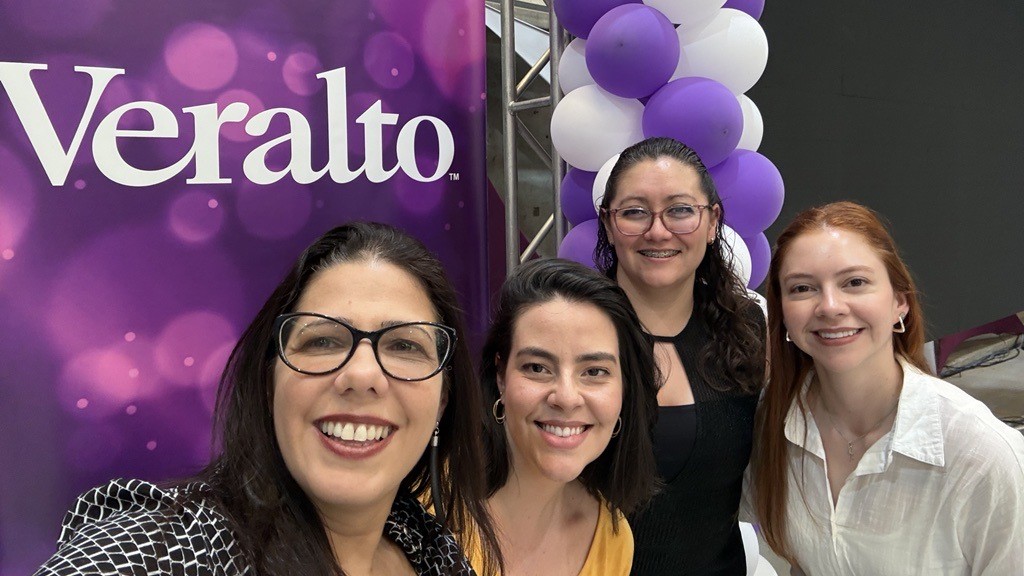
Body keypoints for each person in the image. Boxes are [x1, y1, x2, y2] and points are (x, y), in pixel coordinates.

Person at [35, 222, 502, 576]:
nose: (362, 375)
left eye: (405, 346)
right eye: (322, 341)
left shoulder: (434, 552)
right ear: (268, 381)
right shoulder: (163, 549)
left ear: (443, 401)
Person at [750, 201, 1024, 574]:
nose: (830, 306)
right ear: (783, 315)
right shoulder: (770, 423)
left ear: (900, 302)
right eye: (802, 288)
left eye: (855, 282)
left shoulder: (982, 455)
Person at [595, 136, 767, 575]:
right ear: (609, 225)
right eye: (635, 212)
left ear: (713, 222)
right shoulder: (572, 330)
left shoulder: (750, 330)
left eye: (680, 210)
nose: (658, 230)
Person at [464, 258, 659, 576]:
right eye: (537, 368)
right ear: (501, 376)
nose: (566, 398)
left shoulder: (611, 536)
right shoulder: (427, 510)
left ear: (625, 389)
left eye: (594, 371)